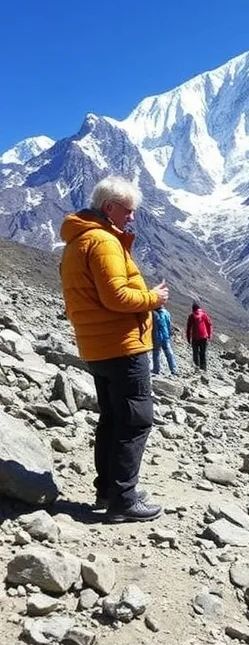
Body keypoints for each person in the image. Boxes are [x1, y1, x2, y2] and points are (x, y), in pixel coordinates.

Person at [59, 175, 169, 523]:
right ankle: (123, 499)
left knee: (112, 418)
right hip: (122, 346)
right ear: (109, 207)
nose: (132, 217)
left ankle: (108, 489)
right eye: (128, 210)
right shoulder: (104, 242)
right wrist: (154, 298)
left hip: (97, 347)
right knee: (136, 420)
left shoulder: (77, 241)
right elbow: (116, 297)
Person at [186, 301, 212, 371]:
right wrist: (209, 336)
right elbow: (209, 325)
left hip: (195, 337)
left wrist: (188, 338)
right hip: (204, 337)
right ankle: (204, 369)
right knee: (202, 353)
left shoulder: (191, 316)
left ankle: (196, 368)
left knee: (195, 353)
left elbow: (188, 328)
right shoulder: (204, 315)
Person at [152, 306, 177, 375]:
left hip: (156, 336)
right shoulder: (166, 313)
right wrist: (169, 333)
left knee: (156, 353)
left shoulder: (153, 314)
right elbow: (168, 324)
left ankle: (156, 369)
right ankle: (173, 369)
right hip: (165, 335)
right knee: (168, 352)